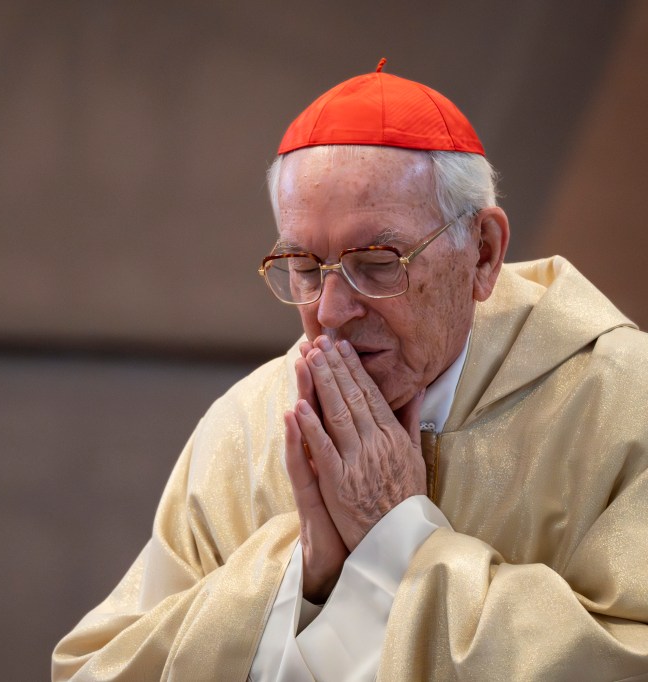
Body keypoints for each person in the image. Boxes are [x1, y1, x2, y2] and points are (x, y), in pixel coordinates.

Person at [51, 60, 648, 681]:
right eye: (304, 267)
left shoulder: (624, 402)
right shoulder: (247, 425)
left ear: (483, 253)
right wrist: (301, 575)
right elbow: (92, 669)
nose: (330, 312)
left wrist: (397, 542)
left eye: (378, 261)